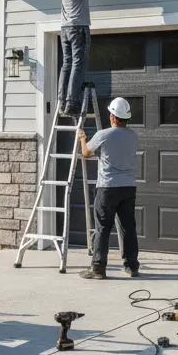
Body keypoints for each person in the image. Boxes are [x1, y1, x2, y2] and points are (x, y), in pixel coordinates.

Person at [76, 97, 139, 279]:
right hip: (128, 187)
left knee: (103, 228)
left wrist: (83, 138)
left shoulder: (103, 135)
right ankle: (132, 266)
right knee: (128, 228)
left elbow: (86, 153)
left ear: (112, 116)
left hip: (108, 188)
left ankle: (98, 269)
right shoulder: (133, 136)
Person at [57, 0, 114, 117]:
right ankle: (72, 102)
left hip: (65, 29)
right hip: (78, 28)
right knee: (78, 64)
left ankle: (62, 101)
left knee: (66, 64)